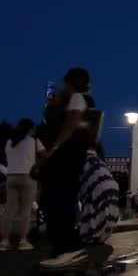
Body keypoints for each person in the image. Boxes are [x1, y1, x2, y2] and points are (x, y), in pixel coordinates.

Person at [39, 68, 96, 268]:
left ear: (73, 83)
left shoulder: (77, 99)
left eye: (67, 83)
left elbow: (71, 125)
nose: (65, 86)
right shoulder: (66, 101)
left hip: (67, 159)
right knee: (57, 201)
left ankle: (68, 249)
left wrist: (54, 147)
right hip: (63, 160)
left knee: (61, 201)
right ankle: (62, 250)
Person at [0, 119, 45, 251]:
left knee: (9, 211)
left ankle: (4, 242)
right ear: (30, 129)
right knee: (25, 211)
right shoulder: (34, 141)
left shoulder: (9, 142)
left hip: (11, 178)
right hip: (27, 177)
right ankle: (23, 241)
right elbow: (45, 155)